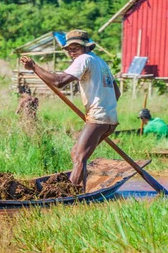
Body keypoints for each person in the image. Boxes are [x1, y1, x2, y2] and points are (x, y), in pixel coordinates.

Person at [20, 29, 120, 192]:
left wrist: (34, 67)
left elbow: (59, 81)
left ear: (87, 47)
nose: (72, 52)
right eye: (69, 49)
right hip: (110, 119)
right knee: (77, 154)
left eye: (76, 47)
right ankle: (81, 189)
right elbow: (117, 93)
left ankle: (69, 194)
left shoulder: (84, 59)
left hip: (98, 117)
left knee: (80, 156)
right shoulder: (101, 62)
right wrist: (104, 105)